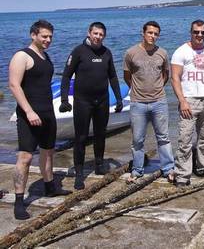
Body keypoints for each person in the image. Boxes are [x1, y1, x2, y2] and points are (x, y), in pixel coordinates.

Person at [9, 20, 71, 220]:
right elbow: (14, 86)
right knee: (25, 157)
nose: (48, 40)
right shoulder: (22, 56)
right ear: (33, 35)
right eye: (44, 36)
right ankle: (19, 201)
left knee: (48, 151)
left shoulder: (45, 56)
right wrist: (28, 111)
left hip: (47, 112)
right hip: (29, 115)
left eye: (50, 37)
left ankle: (49, 187)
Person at [59, 22, 123, 190]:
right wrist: (64, 100)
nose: (98, 37)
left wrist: (118, 99)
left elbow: (113, 77)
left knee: (100, 134)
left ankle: (99, 165)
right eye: (95, 33)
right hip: (83, 101)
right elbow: (66, 76)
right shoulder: (79, 51)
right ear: (89, 33)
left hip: (102, 100)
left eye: (101, 34)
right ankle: (79, 174)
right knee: (80, 138)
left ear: (104, 36)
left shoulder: (106, 53)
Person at [171, 19, 204, 187]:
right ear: (191, 32)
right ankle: (182, 175)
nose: (199, 35)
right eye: (196, 32)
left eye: (203, 33)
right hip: (189, 101)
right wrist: (182, 101)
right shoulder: (181, 52)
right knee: (185, 139)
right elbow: (175, 78)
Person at [123, 21, 174, 183]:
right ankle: (137, 170)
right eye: (150, 33)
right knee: (137, 139)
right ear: (143, 33)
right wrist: (138, 90)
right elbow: (127, 76)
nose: (153, 36)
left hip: (159, 101)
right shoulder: (131, 53)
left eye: (156, 34)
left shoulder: (163, 53)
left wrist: (157, 88)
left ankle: (168, 168)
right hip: (138, 103)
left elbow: (166, 75)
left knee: (163, 137)